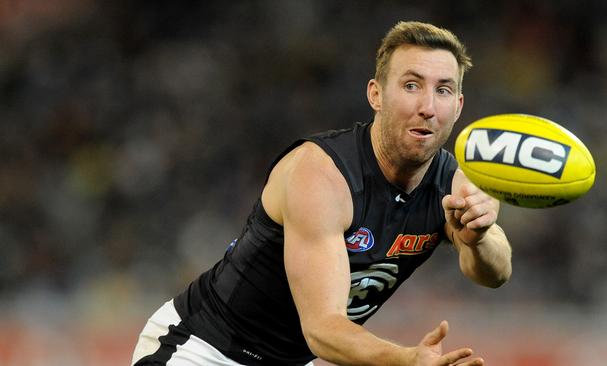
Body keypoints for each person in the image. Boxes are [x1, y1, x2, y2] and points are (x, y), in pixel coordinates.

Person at [132, 21, 512, 366]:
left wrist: (478, 239)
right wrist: (408, 360)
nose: (427, 107)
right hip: (204, 349)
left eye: (443, 90)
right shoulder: (321, 174)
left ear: (458, 106)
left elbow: (496, 272)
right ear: (376, 95)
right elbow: (323, 329)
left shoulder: (458, 180)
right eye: (411, 85)